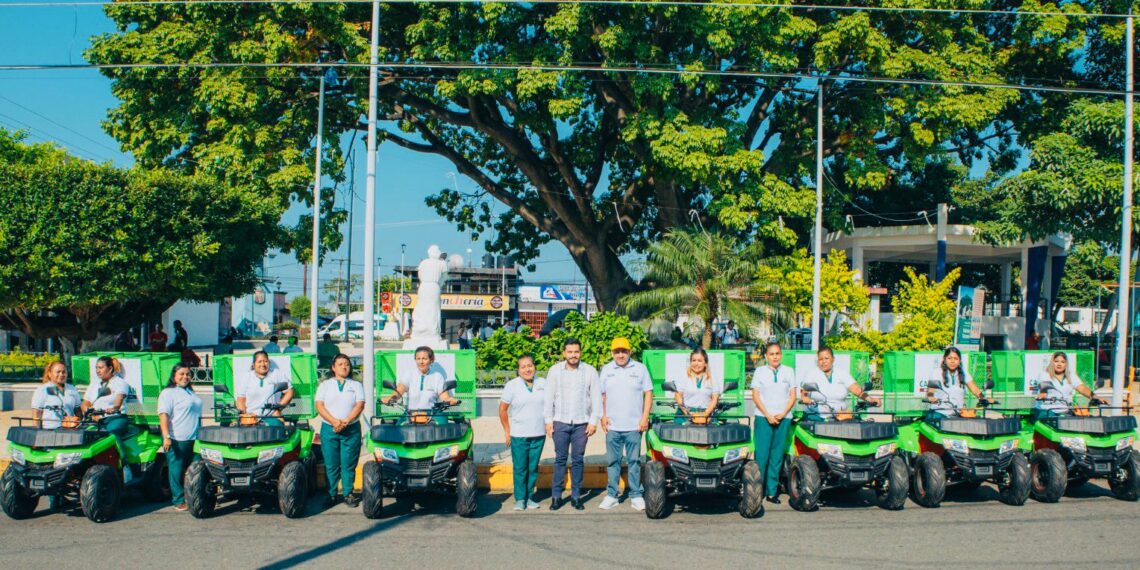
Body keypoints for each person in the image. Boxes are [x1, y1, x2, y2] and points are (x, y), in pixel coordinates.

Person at [543, 338, 601, 511]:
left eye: (576, 352)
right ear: (564, 353)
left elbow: (596, 397)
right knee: (560, 459)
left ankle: (576, 497)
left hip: (582, 424)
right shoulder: (555, 371)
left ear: (580, 352)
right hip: (560, 422)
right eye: (570, 352)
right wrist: (548, 421)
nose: (573, 355)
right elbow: (548, 397)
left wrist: (593, 421)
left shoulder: (590, 371)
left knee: (578, 460)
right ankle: (556, 497)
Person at [598, 338, 653, 512]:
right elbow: (602, 395)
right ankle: (612, 495)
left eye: (624, 351)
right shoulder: (607, 370)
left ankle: (636, 494)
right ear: (612, 353)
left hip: (634, 426)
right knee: (613, 462)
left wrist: (645, 418)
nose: (620, 355)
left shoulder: (640, 369)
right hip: (613, 426)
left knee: (634, 461)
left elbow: (648, 394)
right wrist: (603, 416)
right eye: (617, 352)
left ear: (630, 352)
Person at [315, 353, 366, 508]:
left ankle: (348, 493)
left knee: (348, 463)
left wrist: (346, 421)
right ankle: (330, 494)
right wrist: (334, 421)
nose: (344, 367)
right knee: (331, 463)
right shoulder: (325, 385)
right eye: (340, 364)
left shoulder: (356, 385)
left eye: (347, 364)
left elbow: (360, 405)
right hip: (329, 429)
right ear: (333, 367)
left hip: (351, 430)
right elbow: (319, 405)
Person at [750, 341, 796, 504]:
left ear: (781, 355)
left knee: (777, 456)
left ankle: (772, 492)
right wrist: (768, 415)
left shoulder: (789, 371)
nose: (775, 357)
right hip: (764, 418)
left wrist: (783, 413)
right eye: (771, 354)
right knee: (762, 455)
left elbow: (793, 395)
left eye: (777, 353)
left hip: (784, 418)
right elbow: (755, 395)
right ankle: (757, 490)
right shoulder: (760, 371)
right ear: (766, 356)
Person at [499, 354, 546, 511]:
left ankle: (530, 497)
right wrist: (507, 431)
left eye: (530, 365)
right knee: (520, 467)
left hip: (538, 433)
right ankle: (520, 499)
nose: (527, 369)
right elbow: (503, 410)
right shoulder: (512, 386)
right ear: (518, 370)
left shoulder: (543, 384)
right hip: (519, 435)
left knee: (533, 467)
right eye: (523, 367)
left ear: (535, 367)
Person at [158, 364, 202, 512]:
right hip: (177, 439)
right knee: (176, 470)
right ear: (174, 376)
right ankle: (178, 500)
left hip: (194, 438)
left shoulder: (190, 392)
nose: (185, 377)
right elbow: (163, 415)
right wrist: (166, 437)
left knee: (195, 470)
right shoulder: (168, 393)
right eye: (181, 374)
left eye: (188, 374)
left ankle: (194, 497)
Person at [799, 347, 879, 421]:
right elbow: (805, 391)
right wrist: (805, 398)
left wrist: (871, 399)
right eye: (820, 359)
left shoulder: (842, 373)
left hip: (840, 416)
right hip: (816, 416)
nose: (823, 361)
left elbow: (856, 389)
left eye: (826, 358)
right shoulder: (812, 374)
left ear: (833, 359)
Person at [383, 346, 457, 413]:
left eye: (424, 359)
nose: (421, 362)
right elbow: (399, 390)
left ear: (431, 360)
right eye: (418, 359)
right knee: (398, 426)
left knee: (443, 426)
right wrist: (392, 398)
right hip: (410, 414)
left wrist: (449, 400)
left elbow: (443, 395)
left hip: (432, 414)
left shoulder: (437, 376)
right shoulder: (409, 374)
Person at [925, 346, 988, 417]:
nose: (952, 361)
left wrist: (983, 398)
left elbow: (975, 390)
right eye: (949, 358)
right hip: (940, 412)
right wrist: (931, 397)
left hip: (958, 413)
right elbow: (930, 391)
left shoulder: (964, 373)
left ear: (960, 361)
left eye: (956, 359)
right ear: (944, 359)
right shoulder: (937, 372)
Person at [236, 351, 294, 425]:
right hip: (251, 416)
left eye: (265, 361)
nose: (263, 364)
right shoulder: (247, 377)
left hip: (271, 416)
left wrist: (278, 409)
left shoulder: (276, 374)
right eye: (259, 362)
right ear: (253, 364)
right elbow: (241, 400)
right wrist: (244, 417)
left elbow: (290, 391)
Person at [81, 356, 133, 438]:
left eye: (101, 368)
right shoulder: (94, 384)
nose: (98, 371)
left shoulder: (120, 383)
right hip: (96, 420)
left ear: (110, 369)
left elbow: (119, 400)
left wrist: (113, 409)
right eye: (96, 368)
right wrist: (91, 415)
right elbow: (85, 403)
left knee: (111, 435)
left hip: (115, 418)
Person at [1034, 351, 1097, 417]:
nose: (1059, 364)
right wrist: (1043, 393)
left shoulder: (1071, 376)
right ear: (1052, 363)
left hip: (1065, 411)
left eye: (1062, 362)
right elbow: (1044, 385)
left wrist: (1095, 397)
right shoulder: (1044, 374)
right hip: (1046, 411)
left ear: (1066, 364)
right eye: (1056, 361)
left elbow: (1082, 388)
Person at [671, 348, 721, 424]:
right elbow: (678, 395)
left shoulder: (712, 377)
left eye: (699, 361)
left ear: (705, 363)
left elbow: (715, 399)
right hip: (686, 414)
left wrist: (706, 414)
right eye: (694, 360)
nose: (696, 363)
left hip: (708, 414)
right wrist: (687, 412)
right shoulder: (683, 376)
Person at [32, 361, 81, 429]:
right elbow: (37, 413)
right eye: (58, 372)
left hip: (70, 430)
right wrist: (37, 430)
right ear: (50, 374)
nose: (61, 374)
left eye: (64, 372)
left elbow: (78, 410)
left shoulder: (72, 389)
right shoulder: (42, 390)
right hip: (50, 430)